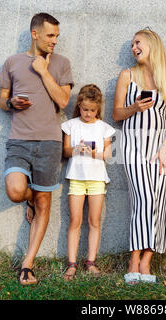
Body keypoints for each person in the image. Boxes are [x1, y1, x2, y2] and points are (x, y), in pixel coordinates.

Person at [0, 13, 74, 285]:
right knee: (16, 191)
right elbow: (1, 101)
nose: (55, 41)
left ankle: (27, 265)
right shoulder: (13, 62)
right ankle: (29, 197)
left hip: (50, 142)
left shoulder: (61, 64)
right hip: (19, 140)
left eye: (57, 36)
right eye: (50, 35)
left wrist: (43, 70)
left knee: (44, 201)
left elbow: (63, 101)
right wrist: (11, 103)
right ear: (35, 33)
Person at [113, 28, 166, 284]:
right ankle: (133, 261)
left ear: (152, 44)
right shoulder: (127, 75)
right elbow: (117, 115)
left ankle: (146, 263)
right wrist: (134, 107)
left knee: (159, 201)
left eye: (137, 43)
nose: (133, 48)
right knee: (143, 198)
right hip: (132, 147)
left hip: (160, 149)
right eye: (131, 44)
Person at [61, 84, 115, 280]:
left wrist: (93, 152)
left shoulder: (103, 128)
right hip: (76, 178)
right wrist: (77, 149)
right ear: (79, 106)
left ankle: (91, 261)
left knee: (94, 221)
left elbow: (108, 155)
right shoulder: (71, 125)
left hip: (97, 180)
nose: (88, 113)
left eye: (92, 110)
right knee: (75, 221)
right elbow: (65, 152)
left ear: (98, 109)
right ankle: (72, 263)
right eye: (85, 109)